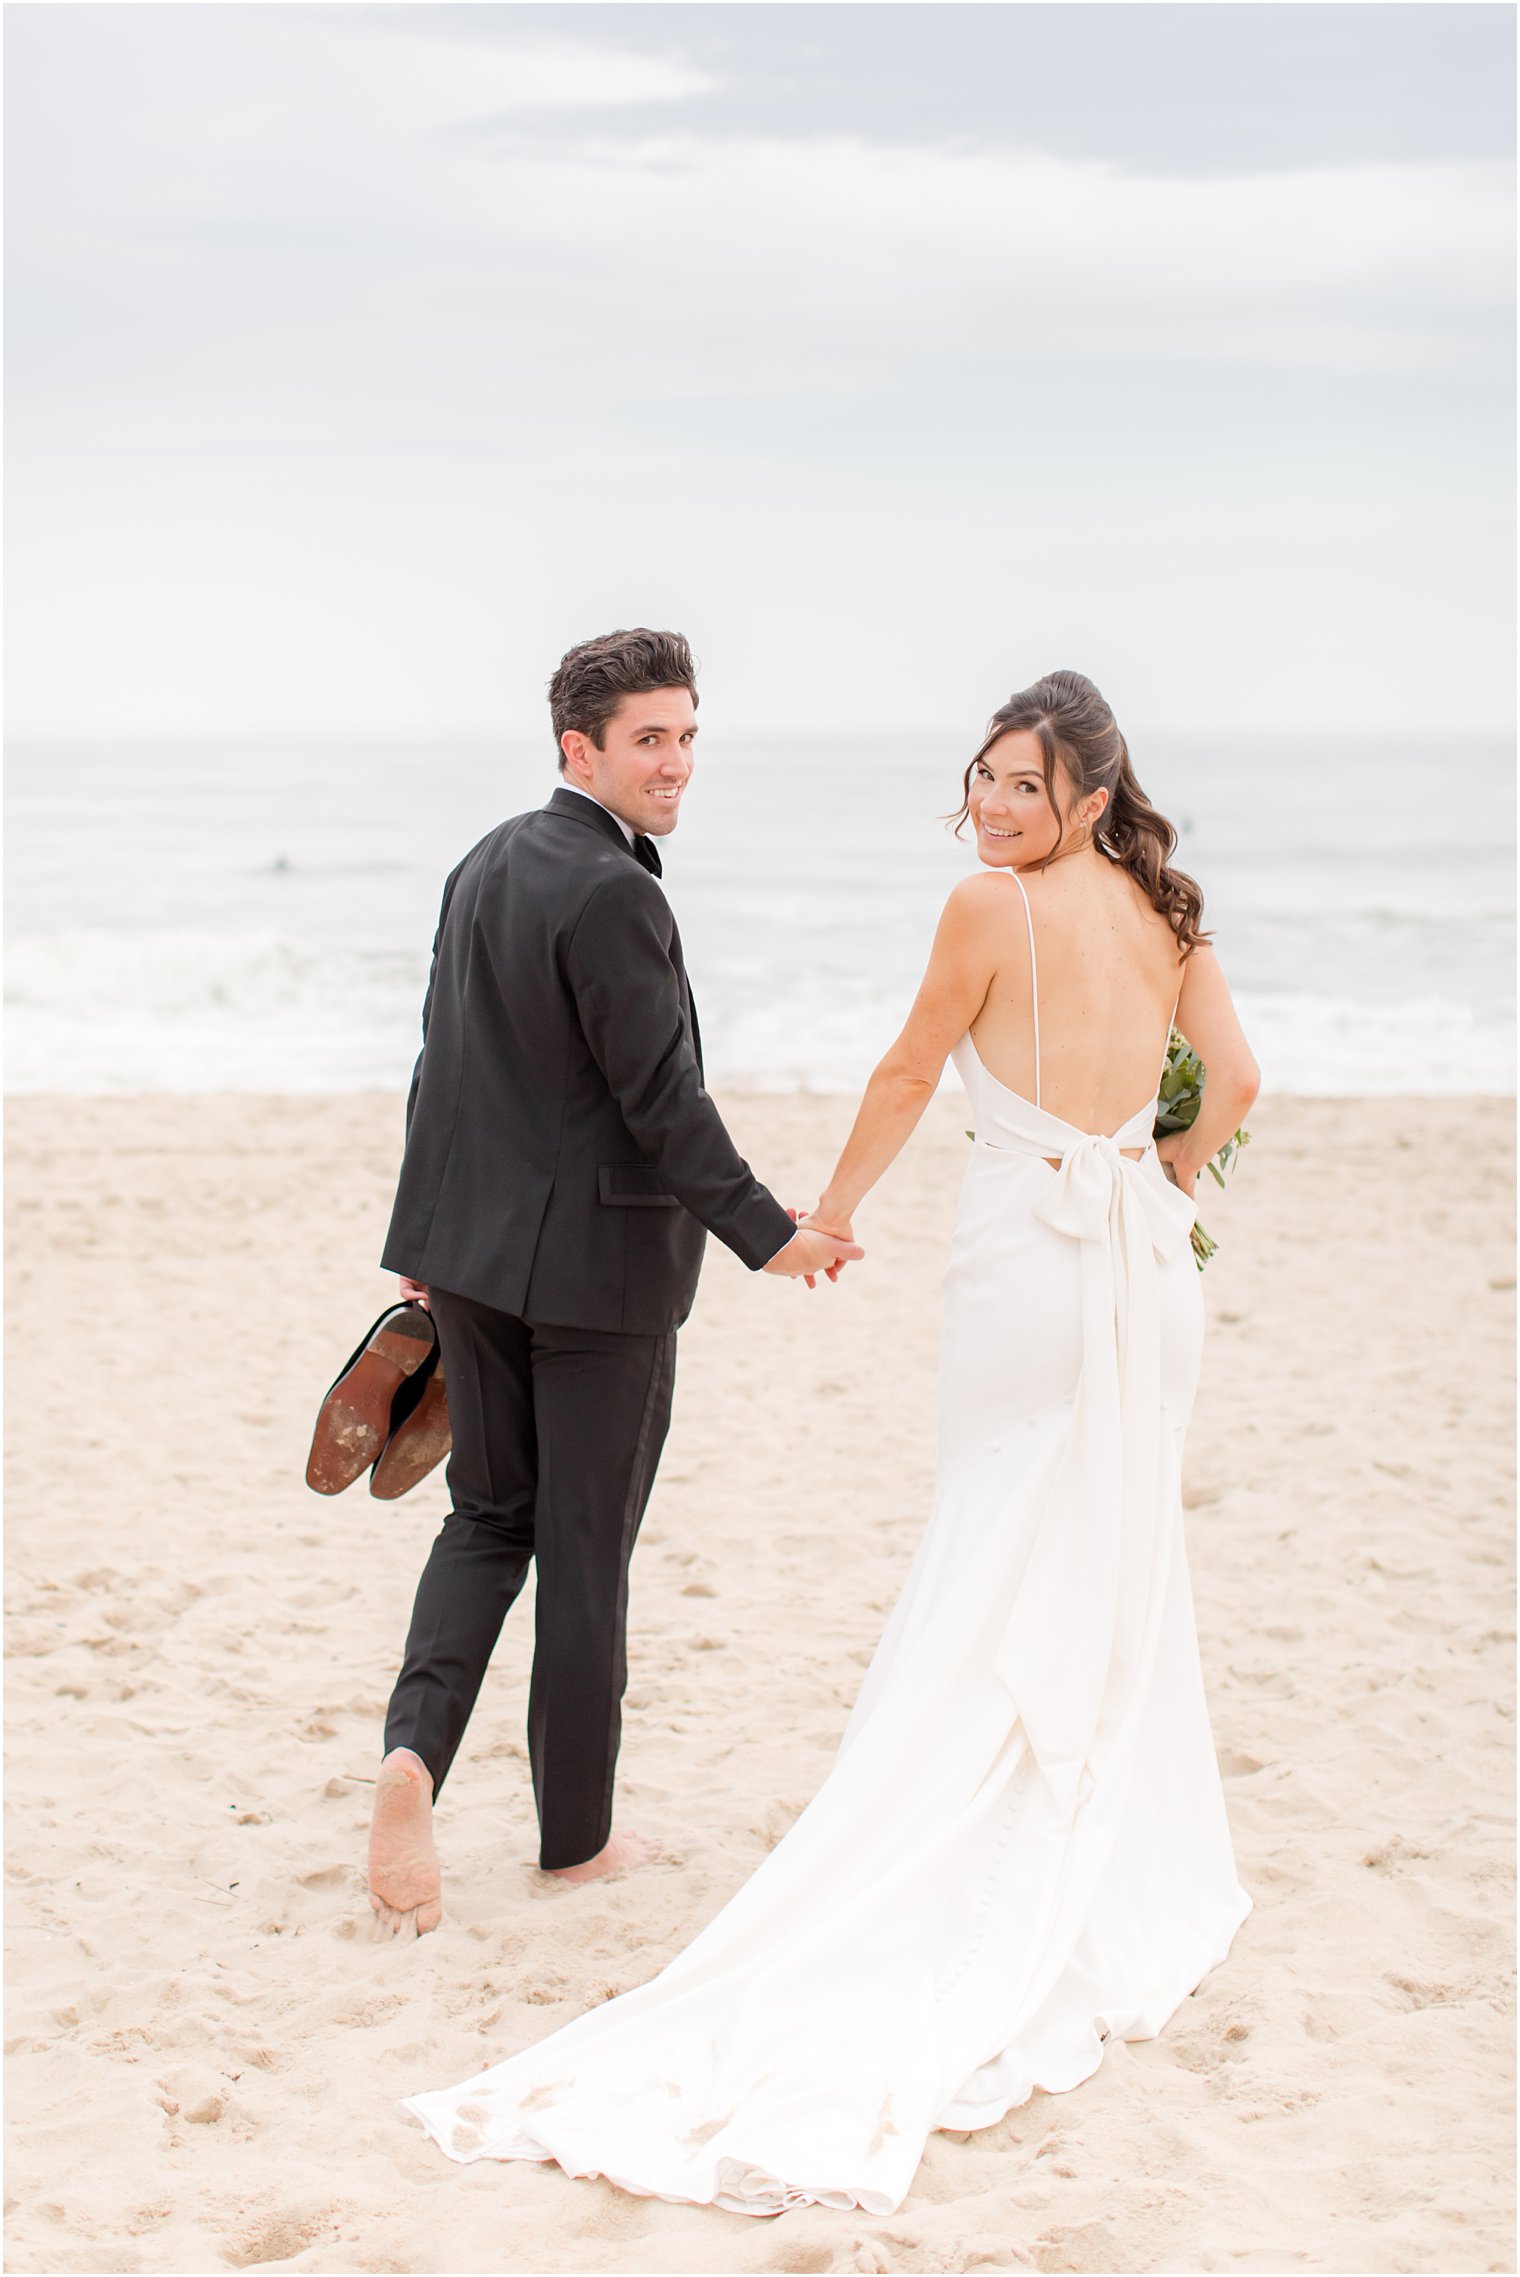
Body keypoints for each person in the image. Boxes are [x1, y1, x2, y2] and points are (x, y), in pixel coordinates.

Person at [400, 668, 1260, 2217]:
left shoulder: (986, 912)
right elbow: (1239, 1086)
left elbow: (908, 1070)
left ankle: (477, 1770)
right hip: (1133, 1255)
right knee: (1103, 1541)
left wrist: (834, 1213)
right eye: (983, 778)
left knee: (996, 1526)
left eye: (1022, 785)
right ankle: (1066, 1827)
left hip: (1028, 1261)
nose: (992, 808)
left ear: (1088, 791)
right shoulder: (1170, 912)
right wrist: (1159, 1185)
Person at [368, 628, 861, 1931]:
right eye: (652, 738)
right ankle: (574, 1844)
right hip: (597, 1281)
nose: (678, 763)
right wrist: (775, 1233)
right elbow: (666, 1109)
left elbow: (442, 1061)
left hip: (473, 1258)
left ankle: (410, 1759)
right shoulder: (615, 893)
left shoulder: (484, 864)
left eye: (690, 734)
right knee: (583, 1554)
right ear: (577, 745)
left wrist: (425, 1231)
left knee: (485, 1519)